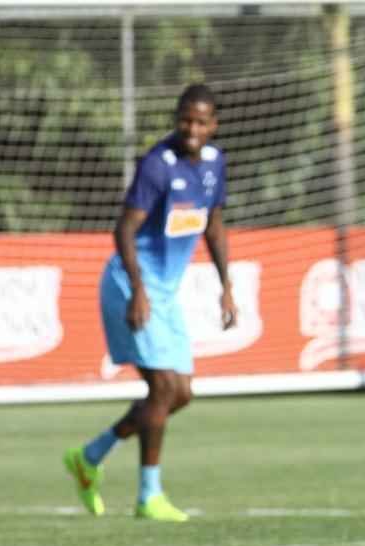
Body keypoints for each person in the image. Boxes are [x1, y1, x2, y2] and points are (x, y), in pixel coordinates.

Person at [63, 84, 236, 522]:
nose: (191, 128)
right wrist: (138, 289)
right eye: (185, 119)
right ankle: (148, 495)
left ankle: (90, 456)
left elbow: (214, 227)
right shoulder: (158, 165)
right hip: (129, 283)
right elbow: (123, 230)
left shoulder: (215, 165)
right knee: (162, 389)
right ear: (176, 118)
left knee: (180, 394)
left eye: (200, 121)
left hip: (164, 291)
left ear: (213, 125)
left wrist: (226, 286)